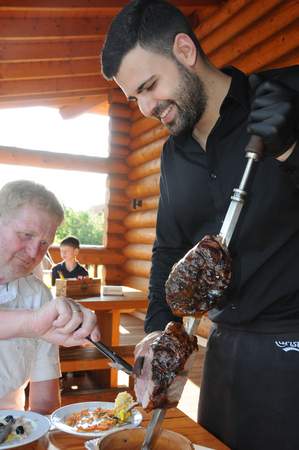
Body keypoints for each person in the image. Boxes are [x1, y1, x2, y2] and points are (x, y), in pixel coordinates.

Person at [101, 1, 299, 449]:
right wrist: (156, 334)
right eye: (135, 98)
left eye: (150, 86)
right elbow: (168, 250)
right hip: (223, 350)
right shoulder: (174, 155)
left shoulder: (288, 96)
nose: (147, 107)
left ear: (185, 50)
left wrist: (292, 151)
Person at [0, 180, 102, 412]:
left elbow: (44, 404)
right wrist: (33, 323)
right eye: (26, 235)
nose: (35, 252)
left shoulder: (37, 295)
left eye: (44, 243)